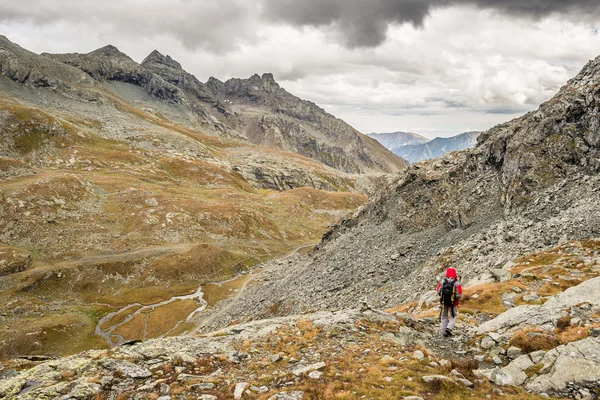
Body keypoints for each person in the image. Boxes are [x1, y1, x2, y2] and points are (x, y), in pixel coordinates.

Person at [436, 267, 462, 337]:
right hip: (453, 304)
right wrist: (455, 299)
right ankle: (449, 327)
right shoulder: (457, 283)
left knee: (444, 316)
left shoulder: (443, 281)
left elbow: (438, 291)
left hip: (444, 303)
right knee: (453, 316)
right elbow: (459, 295)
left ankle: (444, 331)